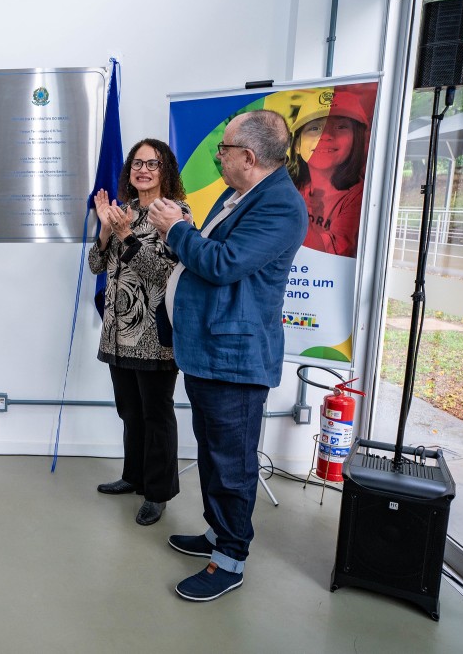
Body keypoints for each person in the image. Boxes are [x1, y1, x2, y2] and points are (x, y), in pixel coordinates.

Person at [147, 110, 307, 602]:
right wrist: (177, 232)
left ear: (249, 157)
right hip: (209, 349)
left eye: (224, 149)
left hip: (235, 358)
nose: (218, 156)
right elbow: (207, 252)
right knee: (214, 454)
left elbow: (222, 264)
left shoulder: (279, 206)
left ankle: (231, 559)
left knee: (232, 465)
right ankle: (218, 533)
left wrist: (176, 230)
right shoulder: (239, 193)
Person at [89, 139, 190, 526]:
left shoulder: (175, 213)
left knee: (156, 415)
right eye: (137, 163)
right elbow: (96, 266)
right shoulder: (123, 209)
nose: (143, 170)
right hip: (117, 333)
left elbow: (162, 275)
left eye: (152, 163)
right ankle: (133, 476)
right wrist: (106, 230)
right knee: (129, 411)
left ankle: (158, 492)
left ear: (166, 171)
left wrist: (128, 235)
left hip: (153, 336)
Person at [287, 90, 370, 257]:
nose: (325, 136)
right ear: (297, 145)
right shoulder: (290, 185)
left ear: (357, 140)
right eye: (314, 128)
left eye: (340, 127)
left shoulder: (361, 197)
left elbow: (327, 254)